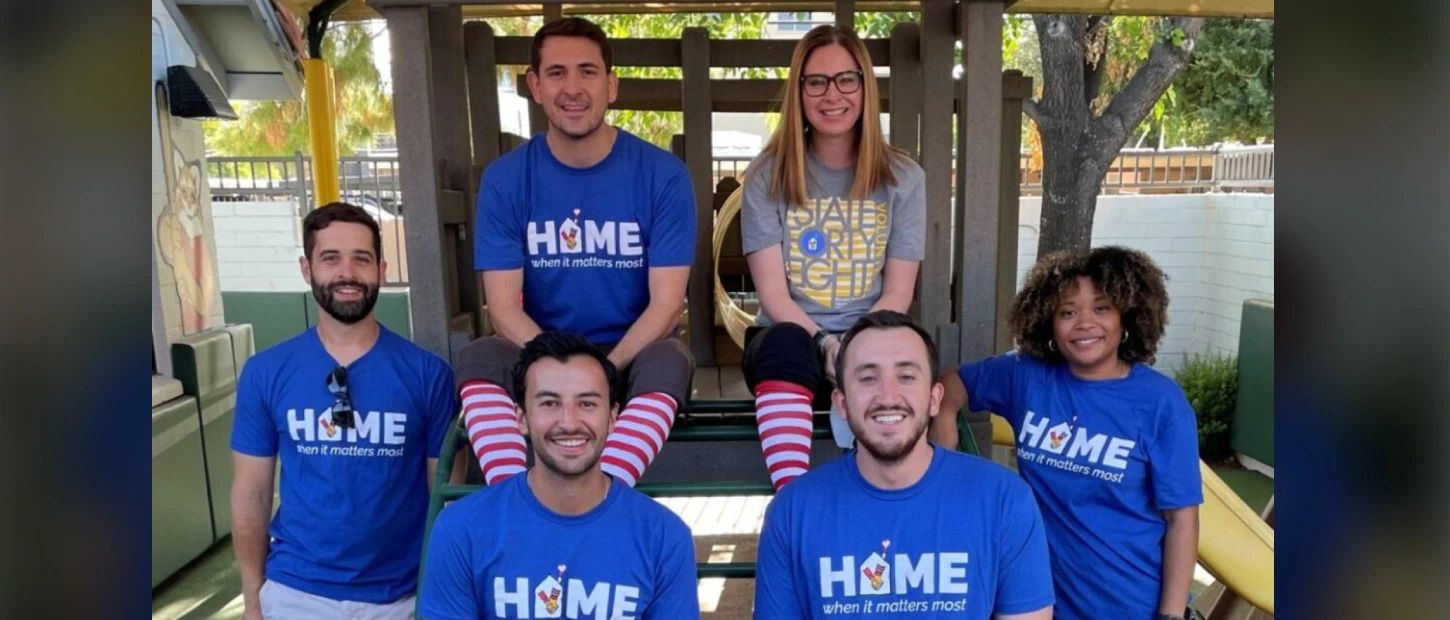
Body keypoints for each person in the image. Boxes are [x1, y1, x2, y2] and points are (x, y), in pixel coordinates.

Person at [459, 16, 696, 489]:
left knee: (670, 359)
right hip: (539, 349)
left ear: (611, 85)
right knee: (479, 357)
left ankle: (606, 495)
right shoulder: (506, 179)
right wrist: (560, 369)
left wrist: (603, 369)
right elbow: (502, 308)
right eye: (556, 73)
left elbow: (667, 305)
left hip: (629, 355)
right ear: (535, 86)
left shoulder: (663, 175)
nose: (573, 88)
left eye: (588, 72)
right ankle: (514, 498)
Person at [932, 246, 1203, 620]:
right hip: (1041, 604)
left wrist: (1171, 615)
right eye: (1068, 312)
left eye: (1102, 308)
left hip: (1131, 605)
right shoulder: (1027, 376)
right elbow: (954, 382)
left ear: (1126, 317)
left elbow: (1182, 520)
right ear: (1049, 321)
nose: (1084, 323)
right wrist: (944, 421)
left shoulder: (1160, 403)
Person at [229, 202, 458, 620]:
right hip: (295, 593)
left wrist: (439, 596)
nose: (347, 273)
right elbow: (251, 493)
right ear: (307, 268)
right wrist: (252, 601)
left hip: (400, 598)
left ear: (381, 270)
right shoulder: (266, 372)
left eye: (361, 259)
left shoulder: (429, 374)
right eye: (331, 258)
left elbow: (444, 502)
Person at [754, 311, 1054, 620]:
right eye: (867, 378)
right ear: (841, 403)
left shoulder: (1004, 500)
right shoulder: (793, 511)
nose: (888, 396)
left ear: (934, 399)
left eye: (906, 376)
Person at [739, 24, 926, 490]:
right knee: (785, 342)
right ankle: (792, 499)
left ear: (865, 87)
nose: (832, 95)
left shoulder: (904, 178)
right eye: (816, 82)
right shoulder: (766, 176)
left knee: (900, 356)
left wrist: (855, 348)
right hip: (791, 344)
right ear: (799, 91)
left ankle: (888, 501)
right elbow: (773, 296)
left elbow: (898, 291)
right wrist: (826, 344)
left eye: (846, 79)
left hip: (870, 335)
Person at [419, 331, 700, 620]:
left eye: (587, 403)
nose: (569, 422)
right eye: (550, 403)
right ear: (521, 418)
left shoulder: (665, 537)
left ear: (613, 418)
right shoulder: (461, 529)